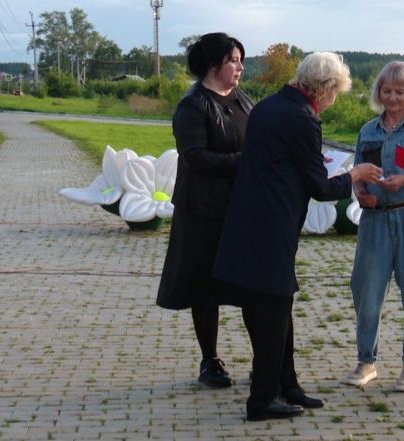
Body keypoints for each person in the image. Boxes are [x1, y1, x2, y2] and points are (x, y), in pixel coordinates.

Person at [213, 52, 383, 421]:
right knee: (274, 310)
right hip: (273, 225)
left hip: (249, 218)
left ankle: (286, 383)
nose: (333, 100)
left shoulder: (268, 106)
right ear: (323, 90)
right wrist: (355, 175)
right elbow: (320, 187)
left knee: (275, 305)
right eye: (335, 92)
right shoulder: (302, 117)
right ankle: (262, 399)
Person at [156, 32, 253, 389]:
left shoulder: (243, 100)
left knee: (251, 285)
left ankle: (266, 358)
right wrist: (246, 162)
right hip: (203, 211)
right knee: (205, 287)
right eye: (233, 60)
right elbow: (195, 157)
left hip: (240, 209)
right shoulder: (193, 105)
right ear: (213, 65)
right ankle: (210, 360)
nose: (240, 66)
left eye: (241, 59)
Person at [342, 61, 404, 393]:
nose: (393, 98)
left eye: (400, 91)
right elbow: (357, 175)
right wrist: (360, 194)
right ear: (378, 92)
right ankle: (366, 361)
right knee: (366, 291)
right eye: (386, 91)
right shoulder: (367, 130)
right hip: (374, 219)